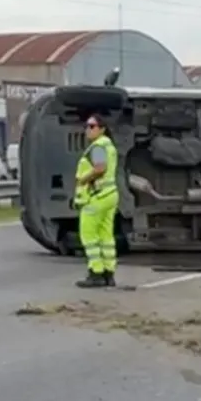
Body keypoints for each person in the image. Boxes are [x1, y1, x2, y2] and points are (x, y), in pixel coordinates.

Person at [74, 114, 120, 288]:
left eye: (92, 126)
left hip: (96, 197)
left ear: (102, 129)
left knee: (89, 236)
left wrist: (83, 179)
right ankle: (109, 273)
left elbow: (100, 168)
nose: (88, 129)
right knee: (106, 237)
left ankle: (96, 273)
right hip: (109, 195)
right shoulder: (109, 146)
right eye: (87, 126)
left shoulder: (98, 146)